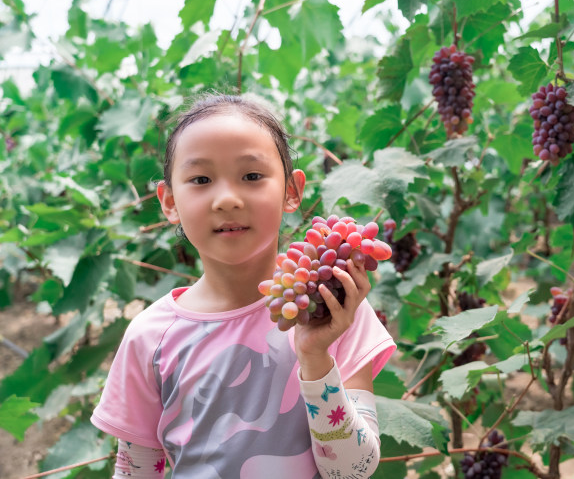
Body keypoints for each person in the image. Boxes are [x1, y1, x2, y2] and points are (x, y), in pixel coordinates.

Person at [91, 93, 396, 478]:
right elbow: (135, 470)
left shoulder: (335, 310)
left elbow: (355, 470)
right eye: (201, 179)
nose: (227, 199)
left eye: (251, 176)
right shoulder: (150, 338)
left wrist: (316, 359)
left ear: (291, 191)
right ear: (169, 202)